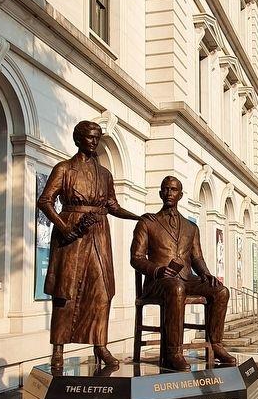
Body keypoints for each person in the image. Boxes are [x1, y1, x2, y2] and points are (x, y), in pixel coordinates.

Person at [37, 121, 139, 370]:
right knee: (65, 291)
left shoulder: (105, 174)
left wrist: (139, 216)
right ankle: (58, 349)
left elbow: (113, 206)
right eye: (90, 137)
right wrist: (65, 228)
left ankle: (100, 344)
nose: (94, 141)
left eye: (97, 137)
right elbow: (45, 200)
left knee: (102, 290)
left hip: (99, 233)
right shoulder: (64, 168)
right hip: (71, 233)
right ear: (78, 139)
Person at [130, 175, 236, 372]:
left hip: (186, 279)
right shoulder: (148, 222)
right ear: (160, 193)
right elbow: (136, 258)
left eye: (173, 190)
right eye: (166, 189)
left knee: (221, 291)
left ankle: (216, 345)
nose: (169, 193)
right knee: (176, 287)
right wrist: (157, 270)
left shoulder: (191, 227)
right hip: (158, 282)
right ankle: (173, 352)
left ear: (180, 195)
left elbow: (197, 258)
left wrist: (206, 274)